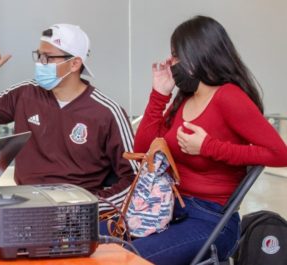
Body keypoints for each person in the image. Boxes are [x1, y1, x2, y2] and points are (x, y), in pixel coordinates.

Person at [101, 16, 287, 265]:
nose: (172, 63)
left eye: (176, 56)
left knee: (121, 258)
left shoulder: (228, 97)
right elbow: (142, 149)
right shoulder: (184, 99)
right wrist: (159, 94)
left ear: (199, 53)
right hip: (166, 210)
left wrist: (208, 147)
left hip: (209, 220)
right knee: (89, 237)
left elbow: (279, 153)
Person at [0, 24, 137, 211]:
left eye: (48, 58)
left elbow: (134, 178)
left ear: (75, 64)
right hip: (26, 207)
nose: (40, 63)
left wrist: (91, 207)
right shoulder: (25, 94)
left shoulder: (107, 112)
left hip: (78, 217)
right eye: (38, 56)